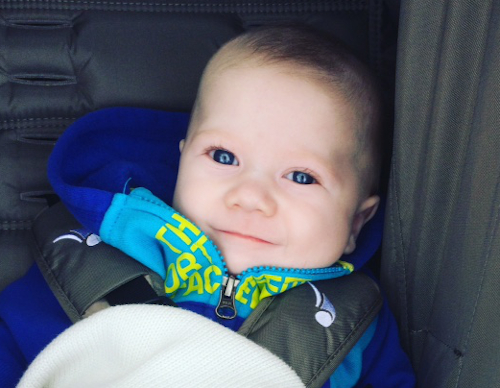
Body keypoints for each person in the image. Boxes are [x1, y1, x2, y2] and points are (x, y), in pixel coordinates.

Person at [0, 25, 415, 387]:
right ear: (181, 162)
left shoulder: (355, 327)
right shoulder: (90, 255)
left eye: (301, 177)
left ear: (357, 222)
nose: (250, 196)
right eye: (223, 157)